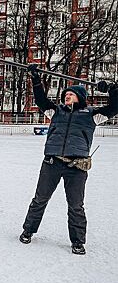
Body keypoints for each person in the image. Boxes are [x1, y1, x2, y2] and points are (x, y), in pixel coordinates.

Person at [19, 65, 118, 255]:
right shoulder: (56, 112)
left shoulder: (92, 115)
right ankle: (28, 230)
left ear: (80, 97)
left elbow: (114, 107)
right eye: (66, 95)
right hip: (52, 163)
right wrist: (35, 78)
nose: (67, 96)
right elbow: (40, 100)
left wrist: (113, 90)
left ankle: (78, 241)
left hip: (77, 167)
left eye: (71, 94)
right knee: (40, 199)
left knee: (76, 205)